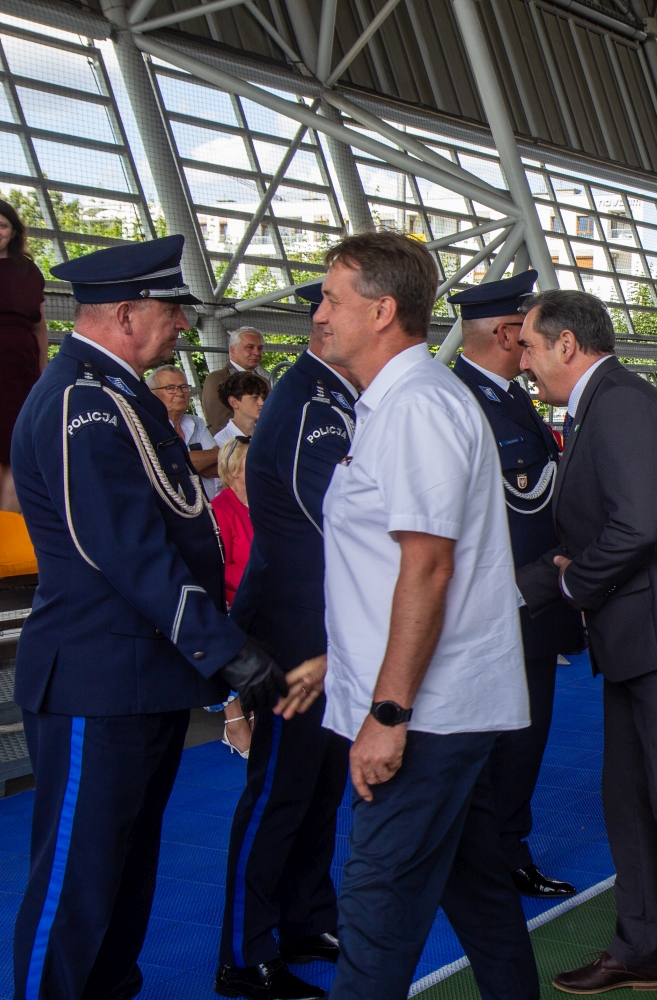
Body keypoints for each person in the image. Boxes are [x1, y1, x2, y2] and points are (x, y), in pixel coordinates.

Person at [10, 234, 289, 1000]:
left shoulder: (119, 395)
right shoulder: (81, 403)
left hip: (141, 674)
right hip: (98, 679)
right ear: (127, 313)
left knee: (124, 874)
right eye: (171, 310)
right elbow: (125, 548)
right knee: (78, 883)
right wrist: (223, 648)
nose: (182, 324)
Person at [270, 233, 534, 1000]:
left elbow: (428, 566)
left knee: (375, 905)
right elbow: (388, 568)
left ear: (382, 311)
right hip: (431, 700)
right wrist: (343, 657)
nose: (319, 314)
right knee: (476, 889)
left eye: (331, 299)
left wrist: (387, 712)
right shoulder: (395, 404)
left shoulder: (417, 407)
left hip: (425, 714)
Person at [513, 288, 657, 1000]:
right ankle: (642, 949)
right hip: (636, 636)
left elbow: (637, 527)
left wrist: (572, 583)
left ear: (566, 344)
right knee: (629, 801)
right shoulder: (598, 404)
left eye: (529, 346)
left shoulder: (620, 403)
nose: (522, 361)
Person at [215, 281, 358, 1000]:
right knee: (279, 791)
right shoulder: (310, 403)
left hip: (327, 622)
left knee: (319, 786)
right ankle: (245, 952)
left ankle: (304, 918)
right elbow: (333, 518)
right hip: (299, 628)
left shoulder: (334, 397)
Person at [449, 270, 584, 901]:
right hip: (497, 608)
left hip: (531, 605)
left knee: (523, 742)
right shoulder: (461, 403)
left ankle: (505, 850)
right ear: (506, 334)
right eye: (527, 336)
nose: (531, 351)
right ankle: (493, 860)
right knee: (498, 747)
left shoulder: (508, 398)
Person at [0, 198, 48, 513]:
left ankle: (8, 529)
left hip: (20, 372)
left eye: (2, 225)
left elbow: (40, 326)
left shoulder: (27, 270)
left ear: (14, 231)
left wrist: (43, 374)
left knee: (15, 452)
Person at [213, 435, 255, 760]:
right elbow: (218, 566)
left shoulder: (267, 502)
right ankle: (235, 722)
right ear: (233, 470)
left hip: (265, 595)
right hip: (233, 600)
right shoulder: (220, 508)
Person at [148, 364, 220, 489]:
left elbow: (220, 468)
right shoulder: (149, 426)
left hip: (208, 500)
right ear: (152, 394)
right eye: (170, 388)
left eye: (184, 387)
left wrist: (186, 464)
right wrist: (218, 453)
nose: (180, 393)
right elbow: (168, 465)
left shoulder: (197, 423)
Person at [203, 326, 269, 433]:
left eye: (260, 348)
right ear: (233, 350)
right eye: (250, 347)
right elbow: (219, 420)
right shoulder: (216, 379)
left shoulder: (264, 382)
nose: (257, 353)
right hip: (230, 441)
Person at [213, 370, 270, 447]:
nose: (261, 402)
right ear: (234, 402)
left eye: (263, 398)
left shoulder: (268, 432)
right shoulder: (222, 441)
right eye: (255, 398)